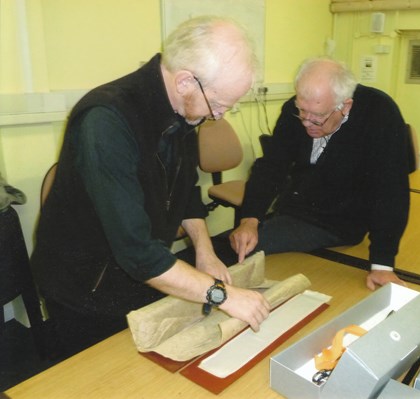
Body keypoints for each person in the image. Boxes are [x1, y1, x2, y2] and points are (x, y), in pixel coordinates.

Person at [31, 16, 270, 359]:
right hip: (83, 286)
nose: (219, 116)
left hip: (132, 271)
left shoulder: (182, 107)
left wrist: (204, 249)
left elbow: (185, 189)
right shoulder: (107, 120)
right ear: (186, 80)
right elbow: (137, 253)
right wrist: (223, 295)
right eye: (218, 104)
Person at [229, 57, 410, 290]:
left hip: (341, 222)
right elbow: (271, 166)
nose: (307, 122)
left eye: (318, 116)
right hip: (296, 210)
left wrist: (383, 265)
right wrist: (249, 219)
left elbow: (390, 189)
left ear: (345, 106)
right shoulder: (296, 110)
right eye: (301, 112)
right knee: (238, 248)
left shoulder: (379, 112)